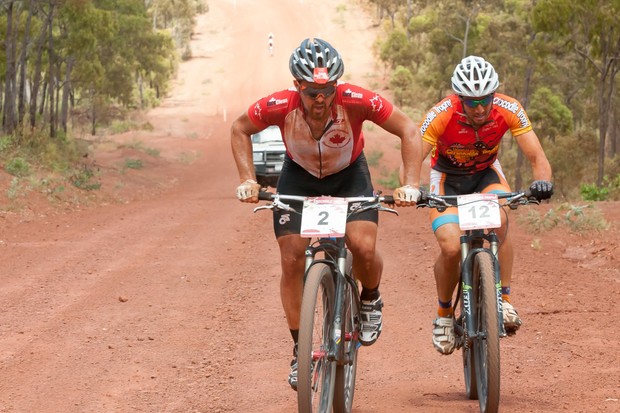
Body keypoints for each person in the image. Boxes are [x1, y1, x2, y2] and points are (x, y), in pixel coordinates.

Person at [231, 37, 423, 389]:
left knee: (362, 246)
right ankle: (299, 350)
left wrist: (410, 182)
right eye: (311, 93)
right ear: (297, 87)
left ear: (337, 85)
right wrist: (247, 178)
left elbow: (409, 130)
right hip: (299, 176)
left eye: (328, 91)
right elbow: (240, 128)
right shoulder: (278, 105)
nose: (321, 100)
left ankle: (370, 298)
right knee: (291, 258)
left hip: (350, 175)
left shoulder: (357, 100)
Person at [418, 55, 553, 355]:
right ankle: (443, 316)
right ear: (459, 98)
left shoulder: (509, 108)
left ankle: (503, 300)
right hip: (446, 179)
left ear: (494, 94)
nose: (479, 108)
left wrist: (542, 180)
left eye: (485, 100)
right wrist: (409, 186)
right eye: (471, 102)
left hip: (485, 175)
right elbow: (416, 151)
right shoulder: (442, 113)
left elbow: (536, 155)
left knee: (501, 222)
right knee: (452, 247)